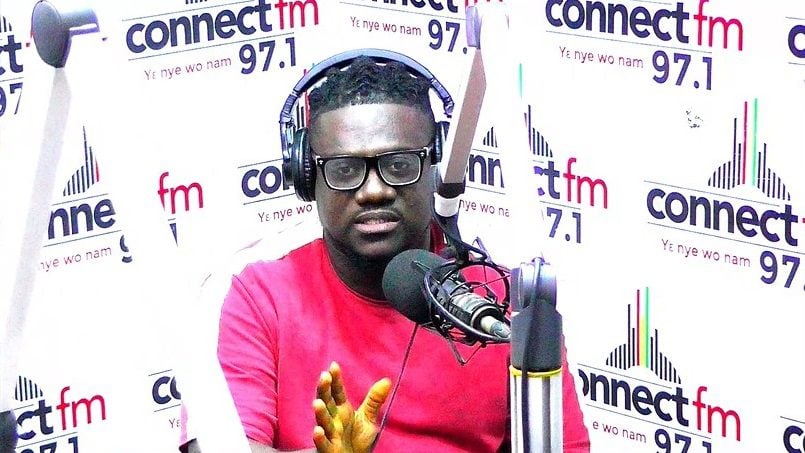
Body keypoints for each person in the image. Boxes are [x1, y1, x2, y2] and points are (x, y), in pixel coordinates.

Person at [184, 54, 590, 453]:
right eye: (344, 169)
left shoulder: (498, 305)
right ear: (307, 177)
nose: (374, 191)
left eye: (398, 165)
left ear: (434, 166)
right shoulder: (260, 297)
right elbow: (216, 446)